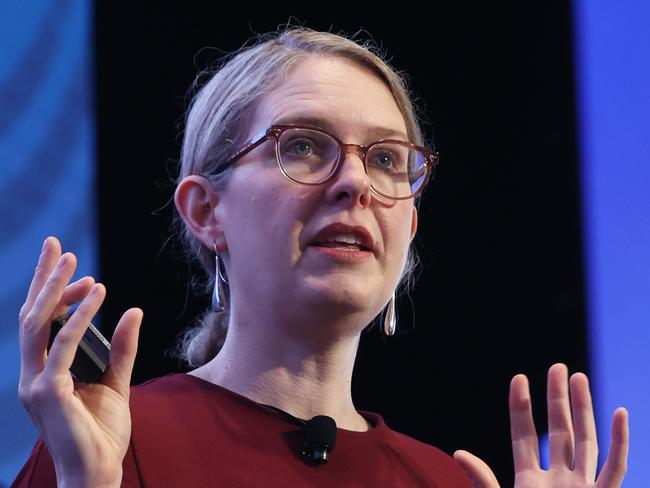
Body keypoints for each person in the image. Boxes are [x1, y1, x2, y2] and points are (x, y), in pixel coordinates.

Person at [13, 27, 628, 487]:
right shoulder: (106, 442)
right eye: (305, 146)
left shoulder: (443, 481)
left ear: (408, 226)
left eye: (386, 159)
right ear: (205, 211)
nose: (355, 183)